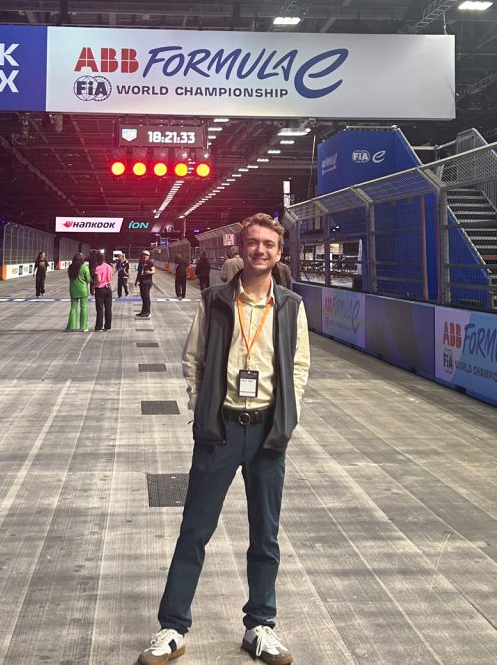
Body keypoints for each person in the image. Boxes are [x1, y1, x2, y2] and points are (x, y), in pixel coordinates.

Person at [138, 214, 310, 665]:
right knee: (195, 529)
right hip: (221, 430)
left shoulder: (291, 305)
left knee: (265, 534)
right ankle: (173, 628)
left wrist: (288, 417)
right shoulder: (214, 299)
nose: (260, 250)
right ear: (240, 248)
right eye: (253, 243)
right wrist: (203, 408)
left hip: (268, 432)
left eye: (269, 244)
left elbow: (299, 366)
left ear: (279, 252)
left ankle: (260, 625)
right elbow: (193, 359)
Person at [67, 252, 92, 332]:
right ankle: (83, 327)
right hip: (83, 290)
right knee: (84, 308)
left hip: (73, 290)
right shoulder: (84, 267)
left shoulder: (70, 267)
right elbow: (88, 279)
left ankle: (72, 327)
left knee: (73, 308)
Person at [92, 252, 114, 331]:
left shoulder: (98, 268)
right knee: (108, 308)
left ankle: (99, 326)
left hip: (100, 289)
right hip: (108, 289)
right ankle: (108, 326)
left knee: (100, 308)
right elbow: (110, 278)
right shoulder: (109, 266)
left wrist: (93, 286)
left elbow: (98, 280)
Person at [135, 250, 156, 318]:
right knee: (143, 297)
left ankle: (148, 312)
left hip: (147, 281)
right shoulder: (141, 263)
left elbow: (154, 271)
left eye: (146, 255)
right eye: (144, 255)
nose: (145, 256)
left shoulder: (150, 262)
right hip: (142, 282)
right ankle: (143, 311)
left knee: (146, 297)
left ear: (148, 256)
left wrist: (149, 272)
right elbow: (139, 273)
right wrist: (136, 281)